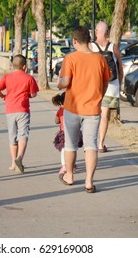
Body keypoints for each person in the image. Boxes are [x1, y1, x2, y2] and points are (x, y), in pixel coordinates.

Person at [57, 26, 111, 193]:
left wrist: (59, 84)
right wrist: (99, 97)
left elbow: (65, 82)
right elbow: (105, 83)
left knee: (71, 144)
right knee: (91, 146)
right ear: (88, 39)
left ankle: (70, 176)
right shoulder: (100, 59)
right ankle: (89, 181)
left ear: (74, 41)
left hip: (73, 107)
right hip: (93, 109)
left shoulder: (70, 58)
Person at [0, 54, 39, 174]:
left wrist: (3, 96)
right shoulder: (29, 78)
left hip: (10, 109)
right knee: (23, 135)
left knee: (12, 136)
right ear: (24, 66)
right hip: (23, 110)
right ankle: (20, 158)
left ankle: (13, 163)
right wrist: (27, 95)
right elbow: (34, 94)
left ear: (12, 65)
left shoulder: (7, 76)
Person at [89, 21, 123, 153]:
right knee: (105, 115)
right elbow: (120, 68)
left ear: (96, 32)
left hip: (95, 85)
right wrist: (119, 84)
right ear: (107, 32)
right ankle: (100, 143)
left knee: (93, 114)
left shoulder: (91, 47)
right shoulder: (113, 47)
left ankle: (91, 141)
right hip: (111, 85)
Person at [52, 93, 81, 180]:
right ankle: (73, 165)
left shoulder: (60, 110)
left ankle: (64, 166)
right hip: (75, 131)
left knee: (64, 150)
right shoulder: (74, 109)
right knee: (73, 149)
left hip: (63, 133)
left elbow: (56, 121)